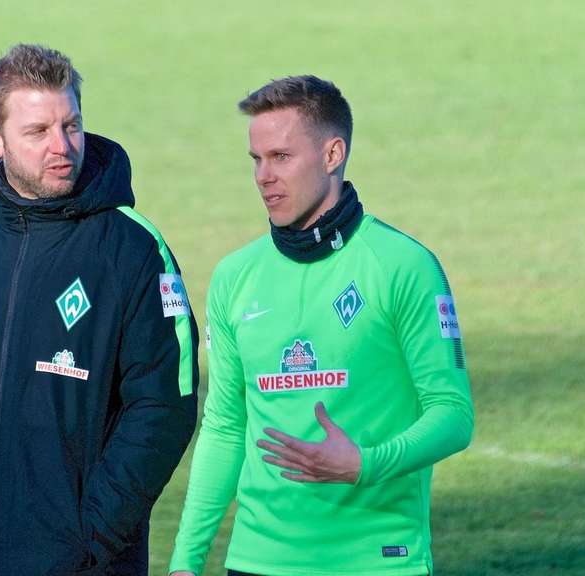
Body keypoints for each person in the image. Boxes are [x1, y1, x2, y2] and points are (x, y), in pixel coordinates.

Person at [0, 44, 199, 576]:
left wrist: (93, 534)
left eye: (71, 125)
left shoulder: (132, 249)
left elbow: (164, 402)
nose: (61, 146)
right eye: (38, 131)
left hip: (80, 562)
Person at [168, 76, 474, 576]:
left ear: (333, 154)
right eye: (256, 159)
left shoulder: (403, 266)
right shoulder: (234, 277)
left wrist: (365, 465)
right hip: (257, 561)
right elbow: (225, 425)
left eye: (281, 157)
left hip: (376, 562)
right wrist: (186, 560)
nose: (264, 176)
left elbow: (453, 414)